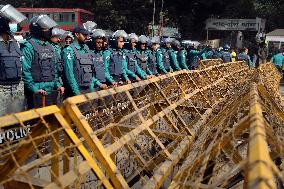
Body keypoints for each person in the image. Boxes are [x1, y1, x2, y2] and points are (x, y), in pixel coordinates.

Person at [21, 15, 64, 109]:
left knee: (52, 120)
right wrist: (34, 89)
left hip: (52, 91)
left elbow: (54, 68)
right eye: (46, 29)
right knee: (37, 121)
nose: (49, 31)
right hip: (37, 93)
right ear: (37, 30)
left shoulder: (50, 46)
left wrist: (58, 85)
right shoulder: (28, 46)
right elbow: (25, 71)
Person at [0, 4, 27, 116]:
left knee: (17, 123)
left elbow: (21, 63)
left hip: (17, 89)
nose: (14, 25)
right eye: (10, 22)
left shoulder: (15, 42)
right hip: (2, 90)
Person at [62, 26, 95, 97]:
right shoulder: (69, 50)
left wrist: (91, 89)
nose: (87, 37)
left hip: (89, 90)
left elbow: (91, 71)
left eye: (87, 35)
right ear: (77, 35)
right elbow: (69, 74)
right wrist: (76, 92)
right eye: (84, 35)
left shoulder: (86, 49)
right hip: (76, 92)